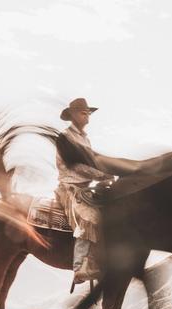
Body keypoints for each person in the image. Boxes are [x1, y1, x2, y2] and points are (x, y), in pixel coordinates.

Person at [54, 98, 114, 284]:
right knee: (89, 217)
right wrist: (102, 175)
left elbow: (92, 160)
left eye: (88, 112)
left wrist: (109, 171)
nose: (86, 114)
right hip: (70, 187)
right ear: (72, 115)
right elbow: (76, 165)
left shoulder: (85, 139)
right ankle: (80, 267)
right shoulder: (65, 137)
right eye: (82, 112)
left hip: (86, 187)